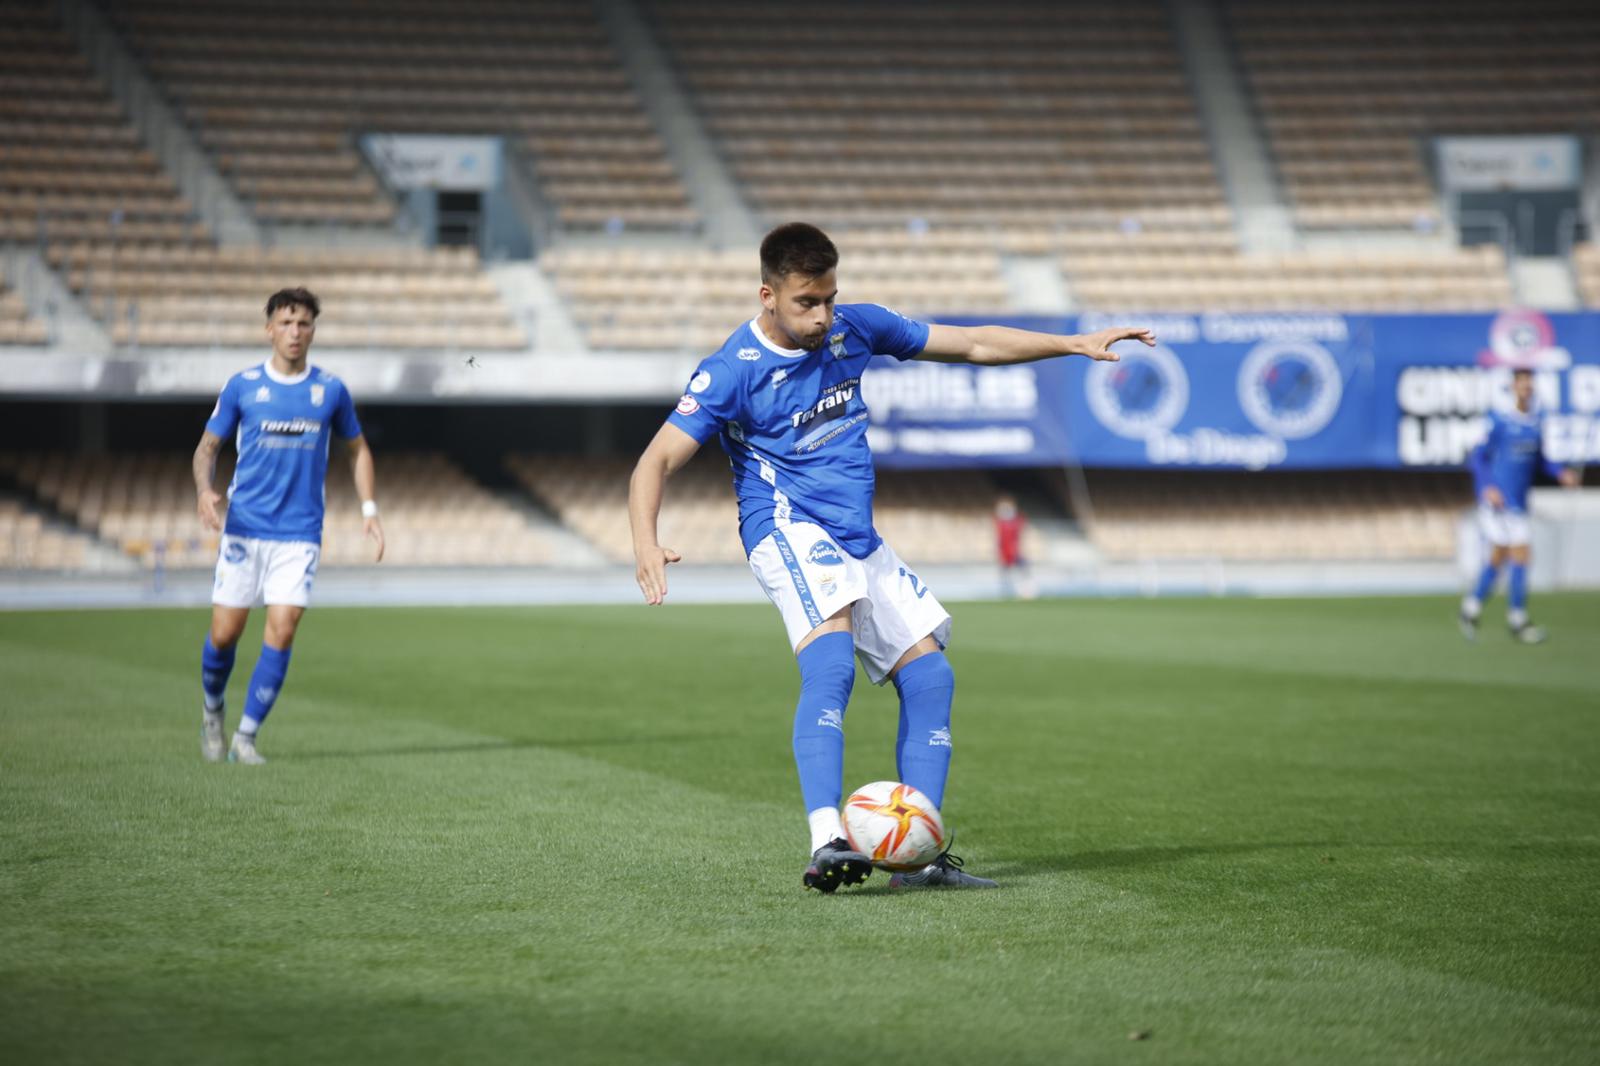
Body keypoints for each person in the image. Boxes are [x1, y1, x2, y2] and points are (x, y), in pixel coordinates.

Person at [627, 223, 1152, 892]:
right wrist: (645, 541)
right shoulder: (731, 370)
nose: (823, 316)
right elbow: (655, 460)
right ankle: (828, 841)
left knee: (932, 678)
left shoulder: (857, 327)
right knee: (831, 666)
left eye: (829, 298)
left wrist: (1070, 344)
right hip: (786, 526)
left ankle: (916, 859)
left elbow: (973, 343)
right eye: (806, 303)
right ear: (768, 295)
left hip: (858, 535)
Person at [192, 288, 384, 764]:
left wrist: (369, 508)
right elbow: (207, 449)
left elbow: (357, 449)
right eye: (285, 323)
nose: (294, 332)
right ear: (269, 330)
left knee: (283, 628)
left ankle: (245, 738)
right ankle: (213, 711)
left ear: (313, 331)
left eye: (303, 324)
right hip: (245, 527)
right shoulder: (242, 386)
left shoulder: (331, 391)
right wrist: (204, 489)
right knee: (224, 634)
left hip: (299, 532)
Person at [1458, 367, 1579, 644]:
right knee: (1519, 555)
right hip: (1498, 502)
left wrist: (1561, 472)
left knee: (1499, 558)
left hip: (1519, 501)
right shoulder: (1499, 420)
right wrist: (1488, 486)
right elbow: (1477, 458)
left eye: (1529, 383)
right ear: (1513, 386)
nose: (1526, 388)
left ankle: (1471, 608)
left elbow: (1541, 460)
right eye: (1522, 383)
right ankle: (1517, 619)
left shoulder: (1536, 422)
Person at [993, 493, 1035, 600]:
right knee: (1005, 574)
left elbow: (1020, 532)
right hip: (1006, 554)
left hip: (1015, 552)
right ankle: (1006, 592)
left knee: (1024, 570)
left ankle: (1027, 590)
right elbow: (999, 540)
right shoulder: (1000, 523)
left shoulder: (1016, 521)